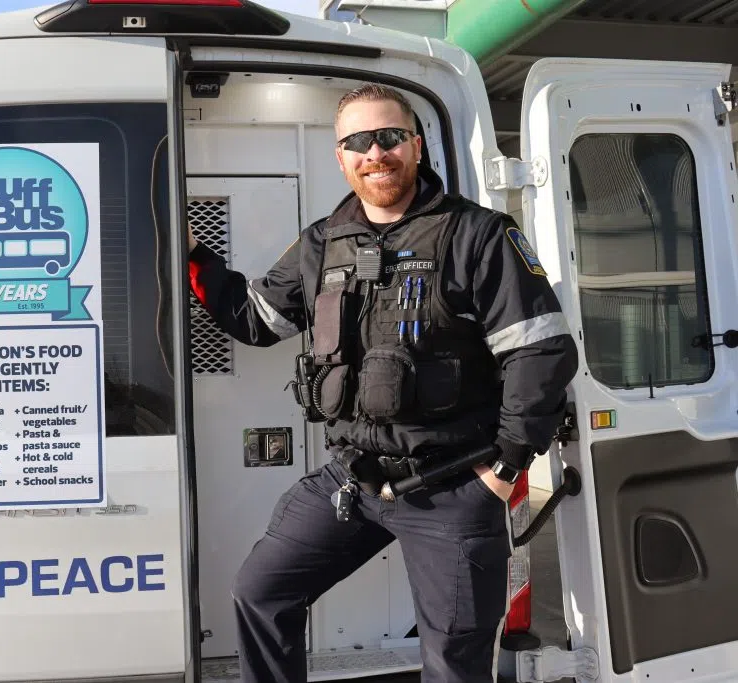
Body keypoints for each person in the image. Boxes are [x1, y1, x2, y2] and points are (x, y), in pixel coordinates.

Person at [186, 83, 579, 683]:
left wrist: (505, 467)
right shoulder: (321, 243)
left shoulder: (479, 235)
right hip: (352, 480)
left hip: (452, 486)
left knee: (454, 664)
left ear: (416, 146)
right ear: (339, 158)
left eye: (390, 137)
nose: (376, 153)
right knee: (260, 593)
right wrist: (195, 254)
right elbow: (256, 319)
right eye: (358, 142)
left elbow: (541, 349)